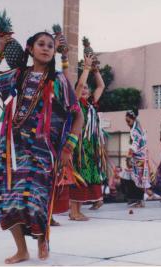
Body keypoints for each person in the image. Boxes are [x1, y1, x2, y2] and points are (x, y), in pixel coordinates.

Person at [0, 32, 83, 263]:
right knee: (9, 200)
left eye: (50, 45)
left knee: (36, 197)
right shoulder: (18, 75)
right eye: (41, 44)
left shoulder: (58, 81)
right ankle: (22, 249)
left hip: (43, 152)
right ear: (30, 48)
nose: (46, 48)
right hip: (13, 151)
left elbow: (78, 117)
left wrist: (68, 148)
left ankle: (41, 240)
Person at [69, 53, 107, 221]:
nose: (83, 89)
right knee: (77, 173)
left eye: (86, 88)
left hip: (89, 146)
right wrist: (85, 68)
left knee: (85, 175)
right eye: (81, 87)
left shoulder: (91, 104)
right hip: (77, 144)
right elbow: (78, 88)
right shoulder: (75, 103)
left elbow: (101, 86)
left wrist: (95, 70)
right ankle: (73, 211)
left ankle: (77, 210)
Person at [125, 110, 151, 208]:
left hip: (139, 158)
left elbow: (135, 144)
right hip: (139, 158)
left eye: (128, 121)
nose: (127, 123)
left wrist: (129, 155)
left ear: (134, 119)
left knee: (139, 180)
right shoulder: (138, 128)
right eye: (126, 121)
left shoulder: (136, 131)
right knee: (135, 179)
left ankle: (140, 201)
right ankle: (136, 200)